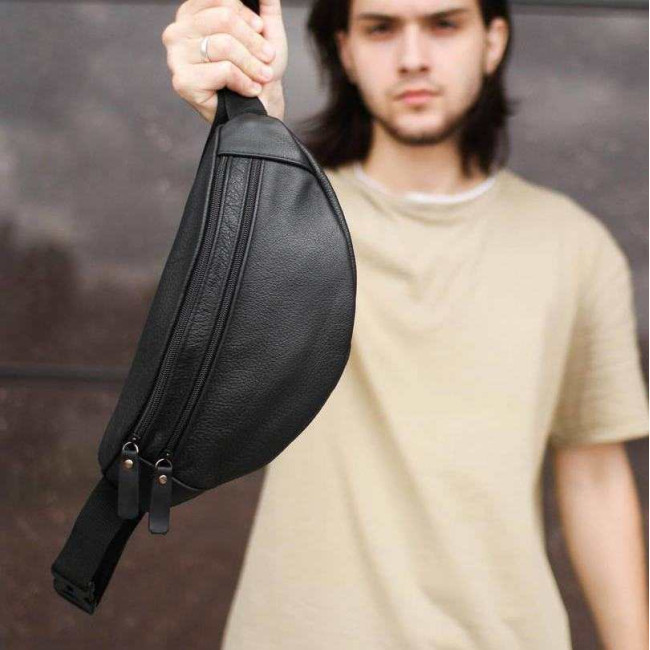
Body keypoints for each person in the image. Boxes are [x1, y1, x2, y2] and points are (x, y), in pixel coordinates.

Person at [161, 0, 649, 647]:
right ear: (344, 49)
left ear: (492, 41)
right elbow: (209, 361)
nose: (413, 57)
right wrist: (252, 126)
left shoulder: (574, 246)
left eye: (444, 24)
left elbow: (595, 476)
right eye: (381, 28)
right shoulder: (285, 220)